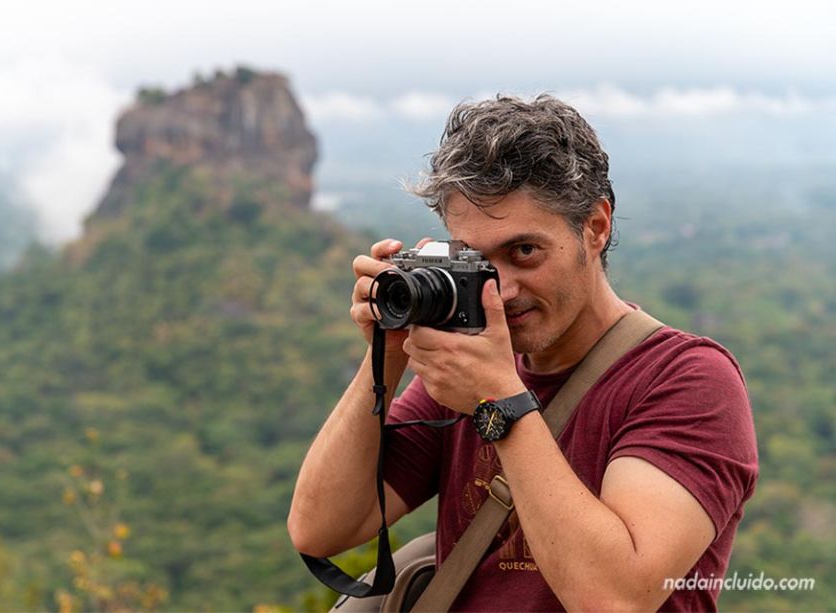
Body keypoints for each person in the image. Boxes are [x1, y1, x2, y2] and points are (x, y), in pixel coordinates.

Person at [288, 95, 758, 611]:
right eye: (475, 259)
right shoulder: (468, 369)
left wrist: (500, 402)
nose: (502, 289)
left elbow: (616, 598)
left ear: (596, 227)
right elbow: (321, 528)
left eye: (524, 251)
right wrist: (388, 351)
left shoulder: (685, 380)